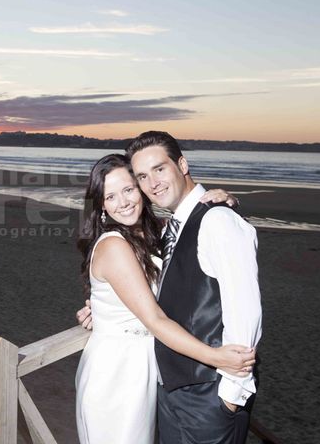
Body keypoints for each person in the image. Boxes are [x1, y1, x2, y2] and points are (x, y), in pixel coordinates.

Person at [75, 153, 255, 444]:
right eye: (110, 196)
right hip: (117, 372)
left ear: (141, 189)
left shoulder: (155, 233)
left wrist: (227, 201)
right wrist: (216, 358)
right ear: (102, 206)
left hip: (148, 367)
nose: (123, 202)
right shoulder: (114, 246)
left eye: (129, 189)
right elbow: (155, 319)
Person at [127, 130, 261, 444]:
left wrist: (230, 397)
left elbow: (246, 312)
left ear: (182, 164)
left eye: (160, 169)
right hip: (173, 394)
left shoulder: (218, 222)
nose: (152, 183)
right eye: (143, 176)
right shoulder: (174, 225)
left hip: (208, 398)